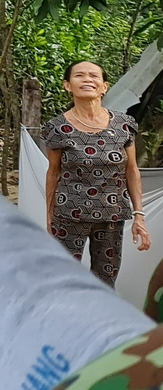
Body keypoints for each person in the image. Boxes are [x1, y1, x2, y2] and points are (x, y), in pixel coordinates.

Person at [41, 59, 147, 286]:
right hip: (69, 215)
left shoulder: (124, 125)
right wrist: (49, 215)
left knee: (105, 279)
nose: (87, 80)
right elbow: (53, 173)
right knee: (63, 278)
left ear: (104, 86)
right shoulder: (57, 128)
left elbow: (132, 170)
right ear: (67, 85)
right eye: (79, 75)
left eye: (93, 76)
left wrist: (139, 214)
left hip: (112, 216)